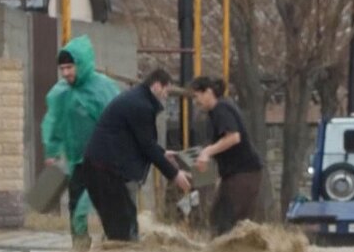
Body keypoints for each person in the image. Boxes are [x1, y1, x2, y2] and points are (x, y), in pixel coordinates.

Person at [75, 69, 192, 242]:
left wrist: (162, 153)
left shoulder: (136, 99)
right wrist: (174, 174)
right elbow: (147, 146)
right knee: (122, 233)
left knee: (123, 227)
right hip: (105, 172)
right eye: (166, 90)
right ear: (157, 85)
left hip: (104, 170)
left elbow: (137, 140)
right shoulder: (141, 106)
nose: (166, 96)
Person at [40, 35, 121, 251]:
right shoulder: (61, 93)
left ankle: (115, 248)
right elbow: (54, 121)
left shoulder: (103, 89)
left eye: (70, 67)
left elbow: (120, 122)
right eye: (62, 68)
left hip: (104, 162)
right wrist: (52, 150)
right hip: (77, 162)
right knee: (76, 209)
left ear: (81, 64)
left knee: (103, 208)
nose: (66, 73)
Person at [190, 76, 264, 236]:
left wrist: (207, 152)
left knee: (227, 222)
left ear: (208, 92)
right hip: (234, 174)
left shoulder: (221, 109)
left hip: (244, 173)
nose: (195, 101)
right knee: (218, 218)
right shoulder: (216, 111)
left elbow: (233, 137)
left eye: (196, 96)